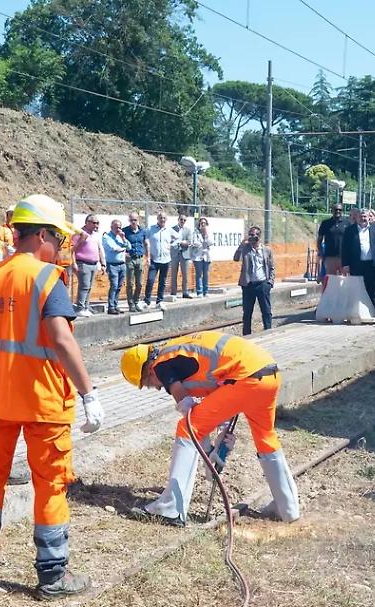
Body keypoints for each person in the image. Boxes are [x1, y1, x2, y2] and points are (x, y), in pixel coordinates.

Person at [0, 194, 104, 600]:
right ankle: (53, 575)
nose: (60, 247)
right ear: (40, 234)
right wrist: (88, 393)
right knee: (50, 485)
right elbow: (61, 339)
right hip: (43, 402)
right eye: (57, 239)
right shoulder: (47, 279)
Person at [119, 331, 300, 526]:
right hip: (267, 373)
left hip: (244, 377)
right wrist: (218, 443)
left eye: (148, 384)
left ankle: (170, 508)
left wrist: (208, 451)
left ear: (148, 371)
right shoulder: (180, 354)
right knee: (265, 438)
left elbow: (189, 415)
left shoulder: (162, 364)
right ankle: (287, 508)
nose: (156, 388)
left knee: (185, 429)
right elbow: (217, 407)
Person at [234, 225, 274, 335]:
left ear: (259, 237)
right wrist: (241, 246)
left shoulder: (266, 250)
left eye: (254, 235)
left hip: (262, 284)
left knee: (266, 310)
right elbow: (236, 258)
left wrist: (270, 282)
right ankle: (246, 335)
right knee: (247, 312)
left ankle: (268, 331)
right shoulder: (245, 248)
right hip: (248, 285)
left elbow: (271, 267)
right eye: (250, 235)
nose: (251, 237)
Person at [341, 207, 375, 305]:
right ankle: (356, 312)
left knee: (371, 289)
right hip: (356, 265)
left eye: (365, 216)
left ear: (368, 218)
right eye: (360, 216)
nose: (363, 218)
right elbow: (345, 248)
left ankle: (372, 312)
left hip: (371, 264)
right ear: (356, 218)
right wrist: (345, 264)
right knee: (356, 289)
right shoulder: (349, 230)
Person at [71, 214, 104, 317]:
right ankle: (80, 307)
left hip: (93, 264)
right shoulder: (79, 234)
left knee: (89, 287)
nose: (96, 225)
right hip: (82, 263)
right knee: (84, 286)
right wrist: (74, 263)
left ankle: (85, 306)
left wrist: (103, 263)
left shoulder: (95, 235)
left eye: (97, 223)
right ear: (87, 222)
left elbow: (99, 249)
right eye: (94, 223)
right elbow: (72, 249)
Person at [143, 212, 176, 309]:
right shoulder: (151, 229)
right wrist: (147, 255)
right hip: (154, 259)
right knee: (150, 280)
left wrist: (172, 245)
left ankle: (159, 301)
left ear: (166, 220)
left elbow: (178, 238)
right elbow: (145, 241)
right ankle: (147, 301)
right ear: (157, 219)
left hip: (166, 260)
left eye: (164, 218)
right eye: (161, 218)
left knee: (162, 281)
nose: (162, 220)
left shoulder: (169, 230)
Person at [316, 203, 351, 280]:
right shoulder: (325, 223)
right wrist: (321, 253)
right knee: (331, 280)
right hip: (330, 257)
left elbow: (351, 241)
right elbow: (319, 240)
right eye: (336, 210)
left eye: (340, 210)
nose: (338, 211)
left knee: (343, 280)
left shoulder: (347, 223)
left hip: (344, 257)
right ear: (332, 210)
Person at [102, 218, 130, 314]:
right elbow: (114, 248)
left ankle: (116, 305)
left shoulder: (120, 237)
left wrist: (123, 239)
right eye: (116, 227)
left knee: (119, 286)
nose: (118, 229)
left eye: (119, 227)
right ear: (111, 227)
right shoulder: (106, 237)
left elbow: (129, 247)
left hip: (122, 264)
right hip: (112, 264)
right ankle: (111, 307)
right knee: (114, 285)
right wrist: (123, 249)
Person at [123, 212, 148, 312]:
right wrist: (124, 253)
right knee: (130, 283)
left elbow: (146, 243)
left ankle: (136, 301)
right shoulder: (125, 231)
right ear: (129, 220)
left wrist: (148, 256)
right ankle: (131, 303)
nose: (133, 222)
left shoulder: (142, 231)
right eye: (131, 220)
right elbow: (120, 242)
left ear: (138, 220)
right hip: (130, 259)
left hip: (140, 258)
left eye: (135, 220)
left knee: (140, 283)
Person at [169, 213, 194, 298]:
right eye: (181, 219)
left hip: (185, 254)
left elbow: (190, 242)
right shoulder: (172, 229)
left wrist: (184, 242)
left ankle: (185, 292)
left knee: (185, 274)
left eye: (184, 220)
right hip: (175, 253)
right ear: (178, 220)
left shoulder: (188, 230)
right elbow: (169, 240)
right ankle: (173, 292)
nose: (182, 221)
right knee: (173, 274)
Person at [189, 216, 212, 297]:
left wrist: (205, 235)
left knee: (206, 274)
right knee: (198, 274)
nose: (203, 224)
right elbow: (194, 242)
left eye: (204, 223)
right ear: (199, 224)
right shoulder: (195, 232)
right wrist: (202, 245)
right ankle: (199, 292)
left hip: (206, 256)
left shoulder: (208, 233)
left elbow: (210, 242)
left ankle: (206, 292)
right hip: (197, 256)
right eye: (201, 223)